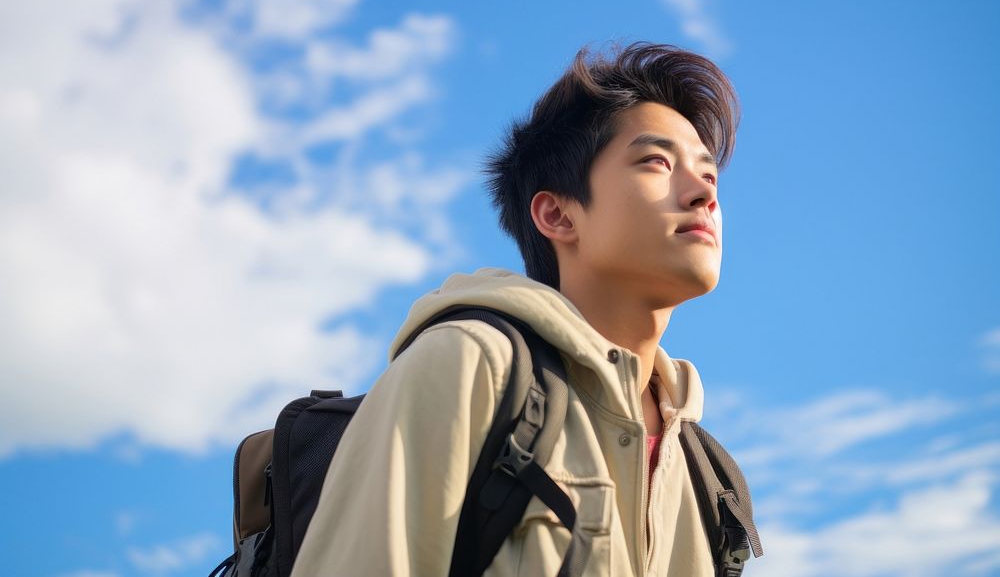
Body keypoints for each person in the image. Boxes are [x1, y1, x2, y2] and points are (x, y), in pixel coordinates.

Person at [291, 41, 740, 576]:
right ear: (558, 214)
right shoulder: (469, 365)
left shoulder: (705, 470)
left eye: (709, 175)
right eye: (656, 162)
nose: (702, 194)